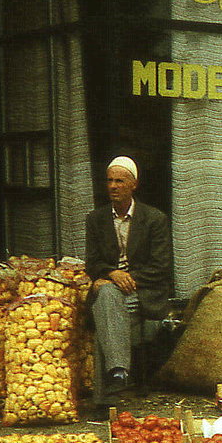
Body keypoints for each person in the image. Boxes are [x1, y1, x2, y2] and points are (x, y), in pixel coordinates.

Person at [85, 156, 173, 408]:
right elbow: (92, 263)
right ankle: (119, 372)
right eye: (110, 180)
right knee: (108, 301)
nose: (113, 186)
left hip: (144, 292)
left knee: (105, 306)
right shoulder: (96, 219)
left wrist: (128, 279)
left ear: (133, 185)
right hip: (112, 289)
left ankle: (106, 398)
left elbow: (161, 267)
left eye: (119, 181)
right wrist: (113, 274)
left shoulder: (154, 219)